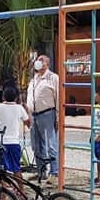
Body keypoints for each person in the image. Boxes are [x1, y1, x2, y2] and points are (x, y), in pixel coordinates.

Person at [26, 54, 59, 183]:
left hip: (48, 114)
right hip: (34, 115)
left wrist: (57, 117)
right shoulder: (34, 79)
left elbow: (58, 98)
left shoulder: (53, 78)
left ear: (47, 64)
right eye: (38, 60)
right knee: (36, 145)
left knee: (51, 144)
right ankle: (41, 171)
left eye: (41, 60)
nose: (38, 62)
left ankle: (54, 172)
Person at [0, 85, 30, 179]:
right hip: (13, 142)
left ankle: (3, 187)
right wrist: (26, 110)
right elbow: (28, 122)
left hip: (0, 142)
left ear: (3, 97)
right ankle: (20, 187)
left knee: (1, 168)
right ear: (16, 98)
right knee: (16, 168)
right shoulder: (19, 108)